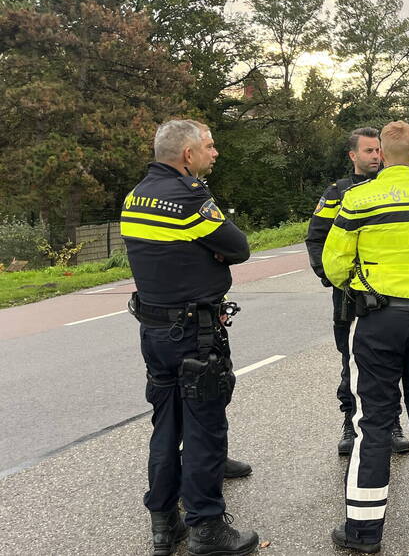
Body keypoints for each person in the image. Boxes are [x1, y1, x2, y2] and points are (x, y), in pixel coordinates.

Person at [323, 121, 409, 553]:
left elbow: (334, 263)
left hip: (381, 319)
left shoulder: (359, 198)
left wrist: (361, 286)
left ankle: (363, 532)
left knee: (374, 422)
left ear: (380, 154)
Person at [121, 119, 258, 556]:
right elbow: (238, 247)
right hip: (195, 335)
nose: (214, 153)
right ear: (187, 155)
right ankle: (207, 528)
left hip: (154, 331)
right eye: (209, 146)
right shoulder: (189, 196)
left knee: (166, 426)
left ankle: (165, 524)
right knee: (203, 429)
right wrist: (211, 251)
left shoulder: (135, 196)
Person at [305, 127, 409, 457]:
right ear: (353, 156)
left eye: (378, 150)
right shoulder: (336, 193)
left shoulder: (390, 188)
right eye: (368, 151)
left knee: (392, 361)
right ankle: (350, 423)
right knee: (350, 361)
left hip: (389, 292)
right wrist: (334, 279)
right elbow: (316, 238)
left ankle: (392, 423)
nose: (376, 156)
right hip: (350, 297)